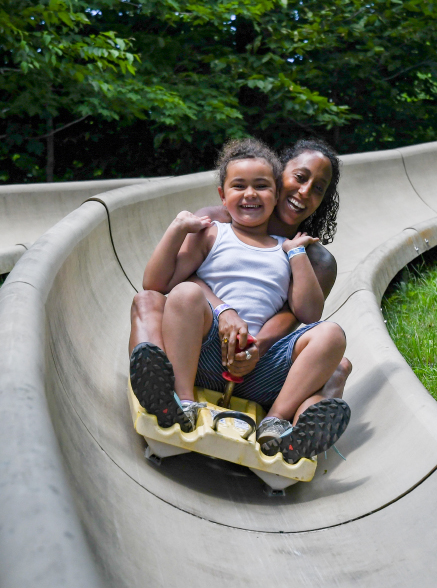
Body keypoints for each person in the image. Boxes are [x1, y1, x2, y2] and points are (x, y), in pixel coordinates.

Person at [131, 139, 350, 463]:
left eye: (318, 188)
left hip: (260, 362)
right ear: (279, 177)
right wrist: (224, 310)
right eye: (299, 177)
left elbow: (300, 315)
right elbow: (173, 281)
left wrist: (255, 347)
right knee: (149, 299)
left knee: (337, 361)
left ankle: (290, 432)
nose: (305, 192)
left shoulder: (312, 258)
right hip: (205, 341)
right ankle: (165, 393)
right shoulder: (214, 223)